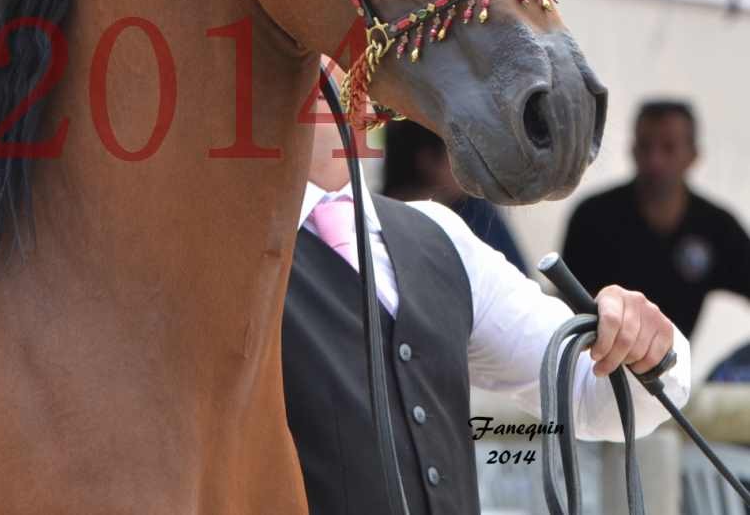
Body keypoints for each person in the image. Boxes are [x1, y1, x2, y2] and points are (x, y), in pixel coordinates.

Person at [282, 89, 691, 515]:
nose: (336, 61)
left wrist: (645, 342)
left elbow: (591, 392)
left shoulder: (441, 235)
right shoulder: (218, 259)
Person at [562, 99, 750, 338]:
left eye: (668, 148)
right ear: (632, 150)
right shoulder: (593, 218)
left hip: (677, 367)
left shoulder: (717, 227)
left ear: (693, 155)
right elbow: (564, 304)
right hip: (598, 364)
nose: (655, 160)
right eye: (645, 146)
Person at [381, 118, 529, 275]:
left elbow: (516, 274)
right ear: (427, 159)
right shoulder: (387, 223)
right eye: (463, 157)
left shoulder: (475, 207)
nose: (472, 169)